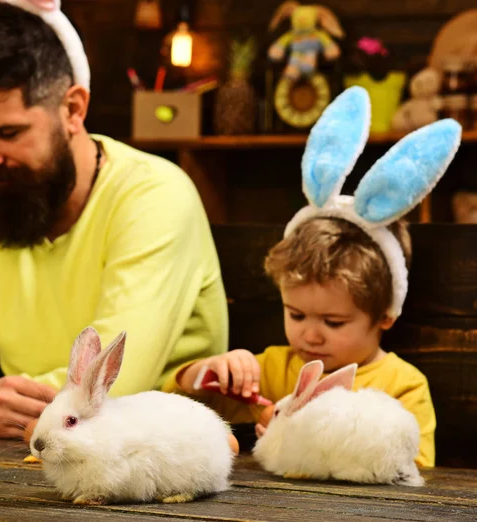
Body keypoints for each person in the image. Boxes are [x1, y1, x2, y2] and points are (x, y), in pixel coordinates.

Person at [0, 3, 228, 439]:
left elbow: (105, 388)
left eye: (8, 134)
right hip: (33, 459)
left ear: (73, 109)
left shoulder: (155, 197)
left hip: (156, 476)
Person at [162, 87, 463, 468]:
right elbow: (186, 403)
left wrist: (301, 435)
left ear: (385, 313)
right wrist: (205, 373)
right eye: (297, 315)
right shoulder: (277, 368)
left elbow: (415, 469)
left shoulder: (402, 385)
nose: (311, 334)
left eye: (334, 322)